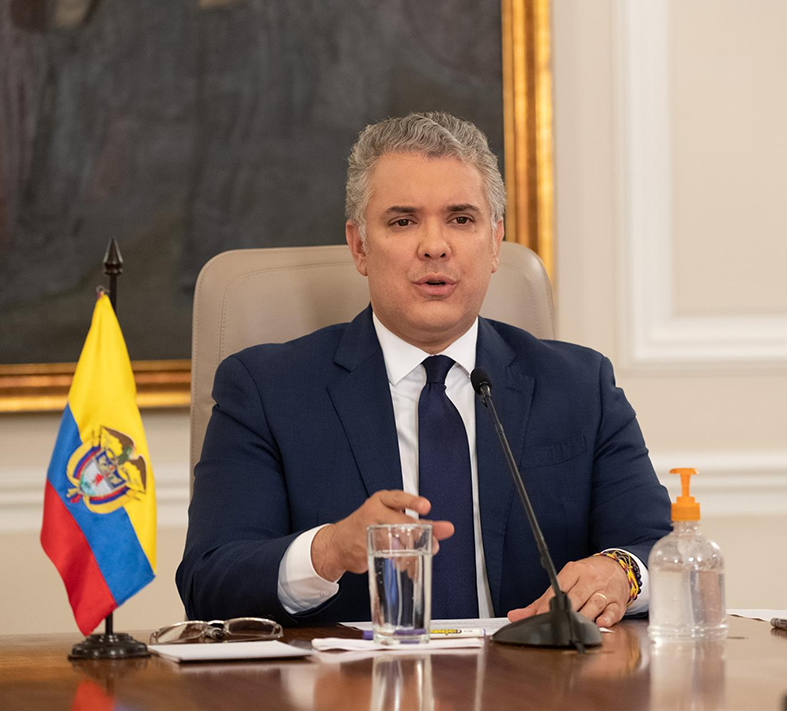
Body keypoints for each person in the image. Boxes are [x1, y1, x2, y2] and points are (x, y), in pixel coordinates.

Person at [176, 112, 671, 627]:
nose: (435, 245)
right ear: (359, 246)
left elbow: (659, 550)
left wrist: (620, 573)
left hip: (533, 671)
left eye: (461, 219)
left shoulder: (579, 386)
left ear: (495, 241)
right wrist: (329, 550)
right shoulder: (266, 391)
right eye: (403, 221)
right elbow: (208, 584)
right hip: (358, 675)